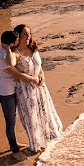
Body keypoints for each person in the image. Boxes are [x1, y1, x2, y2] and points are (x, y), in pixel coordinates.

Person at [13, 24, 63, 153]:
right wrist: (33, 79)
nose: (28, 36)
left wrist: (42, 76)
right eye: (25, 34)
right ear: (18, 36)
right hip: (26, 90)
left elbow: (39, 66)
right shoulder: (15, 54)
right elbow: (15, 73)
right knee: (32, 117)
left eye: (29, 33)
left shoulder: (34, 49)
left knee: (44, 112)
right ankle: (35, 144)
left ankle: (48, 139)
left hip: (40, 87)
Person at [0, 31, 40, 161]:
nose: (20, 41)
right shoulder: (1, 57)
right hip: (5, 93)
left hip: (8, 90)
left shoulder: (3, 50)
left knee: (12, 120)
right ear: (11, 43)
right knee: (10, 122)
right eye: (17, 40)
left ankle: (15, 143)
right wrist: (34, 79)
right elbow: (18, 74)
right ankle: (15, 150)